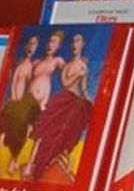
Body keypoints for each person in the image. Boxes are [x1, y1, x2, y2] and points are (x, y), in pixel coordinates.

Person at [24, 32, 92, 182]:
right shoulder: (67, 65)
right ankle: (30, 165)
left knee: (66, 136)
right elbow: (65, 84)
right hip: (62, 101)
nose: (74, 44)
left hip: (75, 105)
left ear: (82, 45)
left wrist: (90, 101)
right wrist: (78, 75)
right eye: (73, 41)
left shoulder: (83, 67)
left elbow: (84, 89)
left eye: (78, 41)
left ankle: (67, 163)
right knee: (43, 131)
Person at [0, 32, 42, 177]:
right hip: (14, 103)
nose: (31, 46)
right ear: (26, 45)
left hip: (21, 105)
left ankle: (12, 163)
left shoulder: (31, 65)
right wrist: (14, 99)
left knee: (22, 134)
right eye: (30, 43)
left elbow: (27, 85)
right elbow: (13, 82)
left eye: (34, 44)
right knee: (3, 135)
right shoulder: (20, 63)